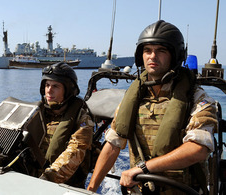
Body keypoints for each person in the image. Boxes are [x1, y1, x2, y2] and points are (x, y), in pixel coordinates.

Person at [87, 20, 217, 194]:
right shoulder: (133, 99)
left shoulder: (196, 98)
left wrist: (143, 168)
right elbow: (113, 143)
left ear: (175, 55)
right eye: (147, 50)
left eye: (161, 51)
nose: (152, 56)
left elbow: (198, 148)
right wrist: (91, 189)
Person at [38, 62, 94, 188]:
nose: (49, 90)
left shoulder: (82, 119)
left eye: (55, 86)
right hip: (32, 177)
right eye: (47, 85)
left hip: (64, 185)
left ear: (68, 90)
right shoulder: (37, 113)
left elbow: (75, 150)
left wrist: (48, 177)